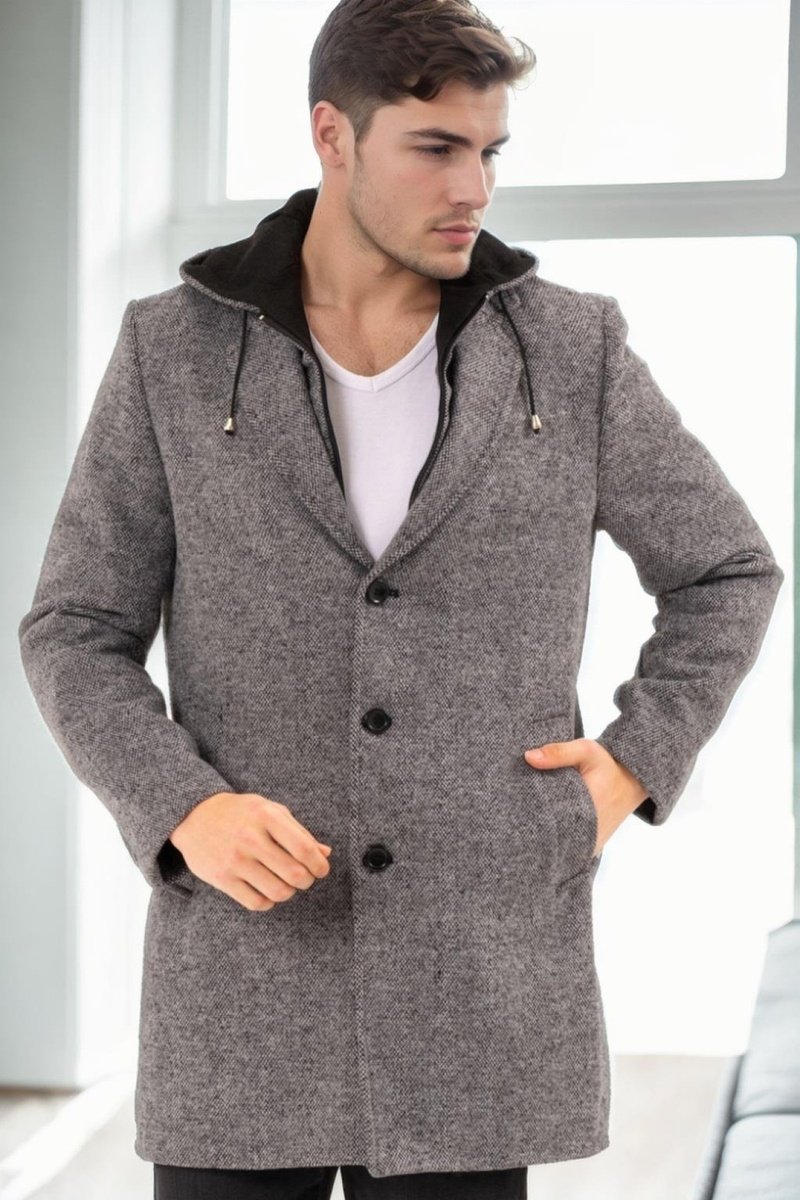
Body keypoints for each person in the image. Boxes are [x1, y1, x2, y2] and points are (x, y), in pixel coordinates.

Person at [18, 1, 784, 1198]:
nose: (472, 187)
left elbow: (724, 569)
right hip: (246, 980)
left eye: (489, 151)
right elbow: (75, 630)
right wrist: (180, 806)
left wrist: (632, 763)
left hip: (475, 981)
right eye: (435, 147)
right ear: (332, 134)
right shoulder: (174, 353)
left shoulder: (568, 350)